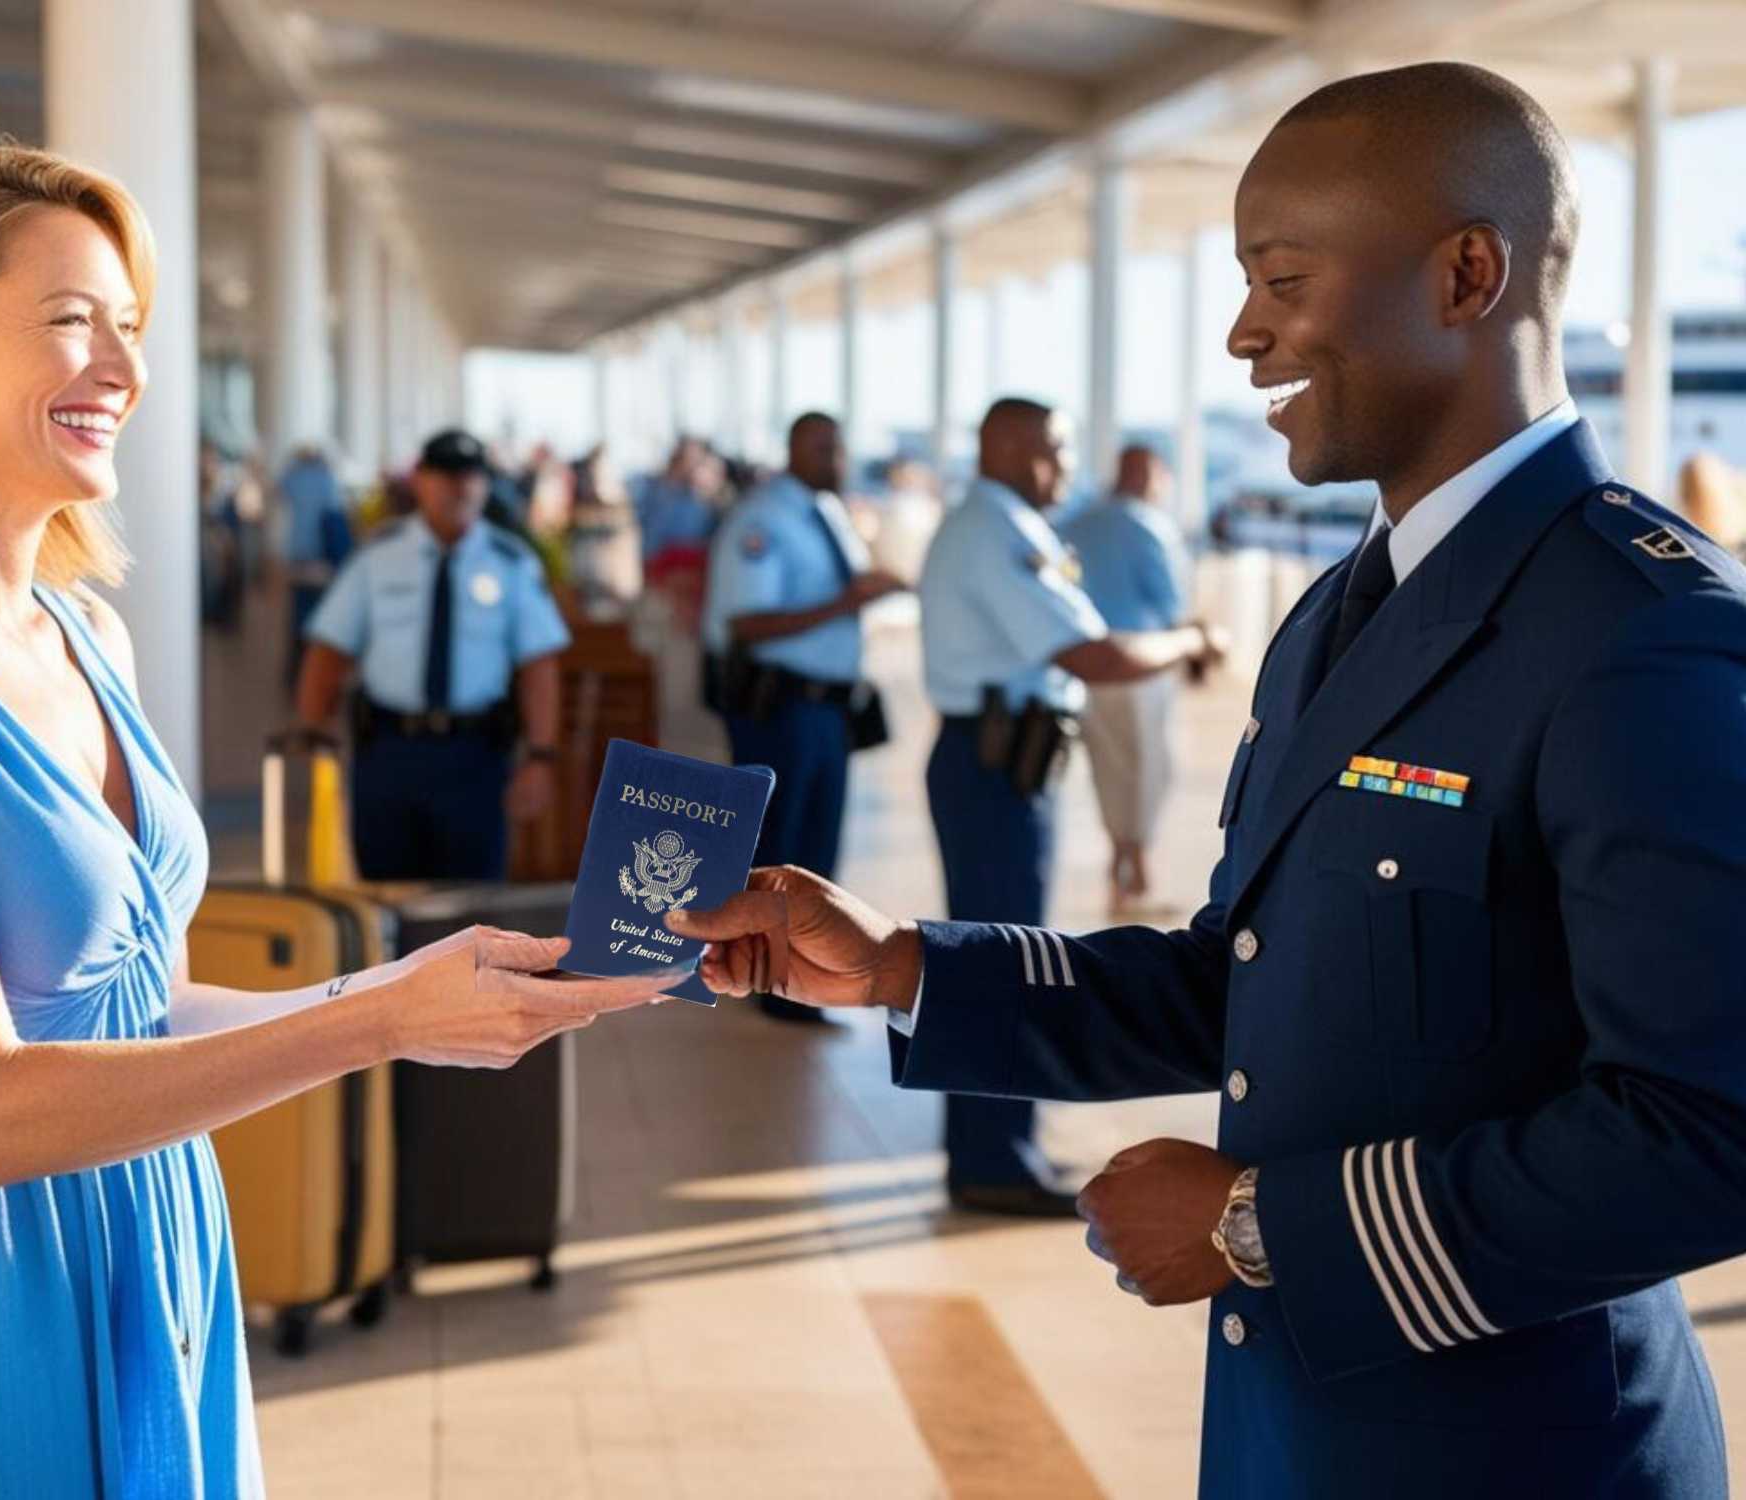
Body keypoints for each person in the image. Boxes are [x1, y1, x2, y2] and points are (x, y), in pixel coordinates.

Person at [669, 62, 1746, 1499]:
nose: (1245, 336)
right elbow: (1239, 983)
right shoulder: (1338, 615)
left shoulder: (1642, 630)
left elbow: (1710, 1129)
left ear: (1468, 274)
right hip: (1293, 1431)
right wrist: (897, 968)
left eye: (1283, 280)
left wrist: (1263, 1229)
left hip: (1519, 1455)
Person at [0, 146, 685, 1498]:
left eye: (130, 327)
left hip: (161, 1233)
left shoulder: (88, 637)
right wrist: (374, 1023)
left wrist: (411, 992)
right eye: (72, 320)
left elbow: (148, 1009)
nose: (123, 370)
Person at [920, 399, 1222, 1216]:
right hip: (993, 763)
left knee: (1000, 954)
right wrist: (1189, 641)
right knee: (995, 962)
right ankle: (991, 1160)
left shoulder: (1010, 522)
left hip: (1005, 756)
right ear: (1007, 444)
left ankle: (998, 1145)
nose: (1064, 466)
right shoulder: (997, 529)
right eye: (1053, 448)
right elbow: (1095, 655)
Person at [701, 411, 906, 1023]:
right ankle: (765, 981)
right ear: (795, 448)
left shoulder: (829, 513)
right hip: (780, 705)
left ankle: (803, 978)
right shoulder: (763, 520)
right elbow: (745, 622)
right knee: (779, 853)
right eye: (823, 448)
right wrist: (848, 601)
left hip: (827, 707)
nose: (836, 460)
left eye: (841, 448)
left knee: (818, 851)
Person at [295, 427, 568, 880]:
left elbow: (539, 664)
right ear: (420, 480)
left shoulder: (512, 562)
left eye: (471, 475)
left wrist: (539, 758)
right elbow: (329, 650)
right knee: (386, 897)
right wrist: (311, 734)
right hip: (388, 753)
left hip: (474, 757)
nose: (459, 487)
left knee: (471, 909)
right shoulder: (377, 557)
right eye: (445, 474)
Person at [1063, 444, 1198, 914]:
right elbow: (1170, 603)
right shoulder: (1147, 525)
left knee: (1110, 769)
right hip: (1139, 663)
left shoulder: (1076, 521)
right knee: (1146, 768)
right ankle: (1132, 881)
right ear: (1148, 475)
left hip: (1086, 660)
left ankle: (1124, 878)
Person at [276, 442, 351, 682]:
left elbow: (279, 489)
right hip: (321, 555)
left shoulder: (295, 476)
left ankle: (295, 668)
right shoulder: (327, 478)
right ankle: (311, 669)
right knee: (319, 614)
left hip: (300, 553)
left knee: (299, 609)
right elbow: (336, 511)